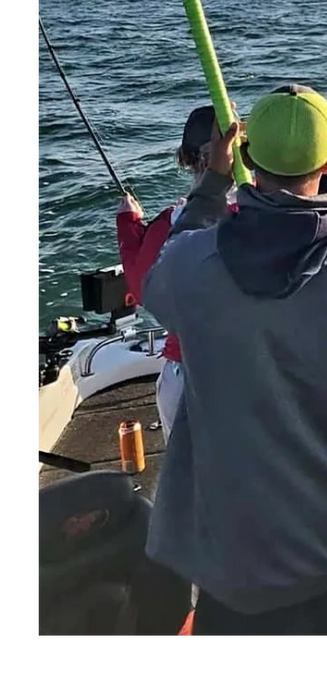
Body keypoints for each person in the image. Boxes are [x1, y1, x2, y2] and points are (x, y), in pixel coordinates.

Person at [142, 84, 327, 638]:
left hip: (234, 568)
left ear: (245, 159)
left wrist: (210, 189)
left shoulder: (192, 262)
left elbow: (157, 288)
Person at [116, 105, 237, 442]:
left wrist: (128, 224)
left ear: (185, 158)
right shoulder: (260, 216)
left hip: (184, 374)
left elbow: (144, 290)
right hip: (250, 374)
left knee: (187, 483)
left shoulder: (169, 225)